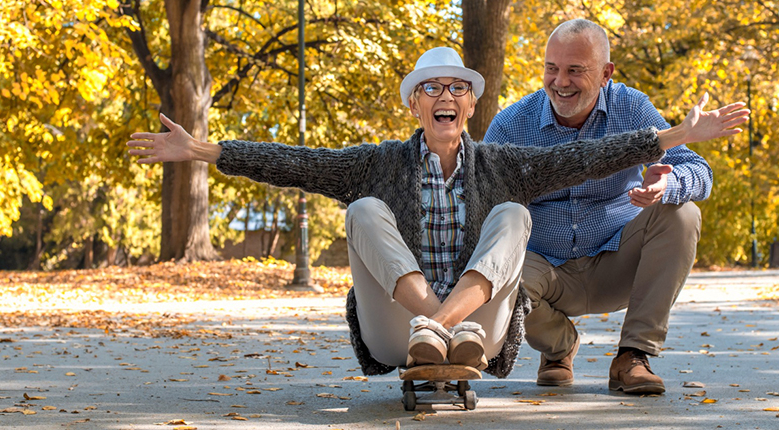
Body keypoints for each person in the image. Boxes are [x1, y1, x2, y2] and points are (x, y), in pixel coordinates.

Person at [127, 47, 747, 378]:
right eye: (431, 88)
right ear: (414, 106)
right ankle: (434, 323)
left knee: (511, 215)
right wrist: (201, 150)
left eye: (456, 89)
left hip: (482, 332)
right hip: (399, 328)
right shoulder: (377, 163)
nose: (444, 96)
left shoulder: (504, 163)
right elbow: (293, 161)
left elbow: (592, 156)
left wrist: (669, 137)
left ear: (471, 106)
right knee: (365, 209)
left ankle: (451, 325)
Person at [484, 19, 718, 393]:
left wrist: (666, 184)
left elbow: (699, 171)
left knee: (683, 212)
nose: (560, 82)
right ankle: (559, 347)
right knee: (489, 272)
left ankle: (633, 356)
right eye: (552, 68)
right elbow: (480, 204)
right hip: (543, 269)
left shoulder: (632, 108)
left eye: (575, 70)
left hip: (618, 262)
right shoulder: (512, 124)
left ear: (606, 73)